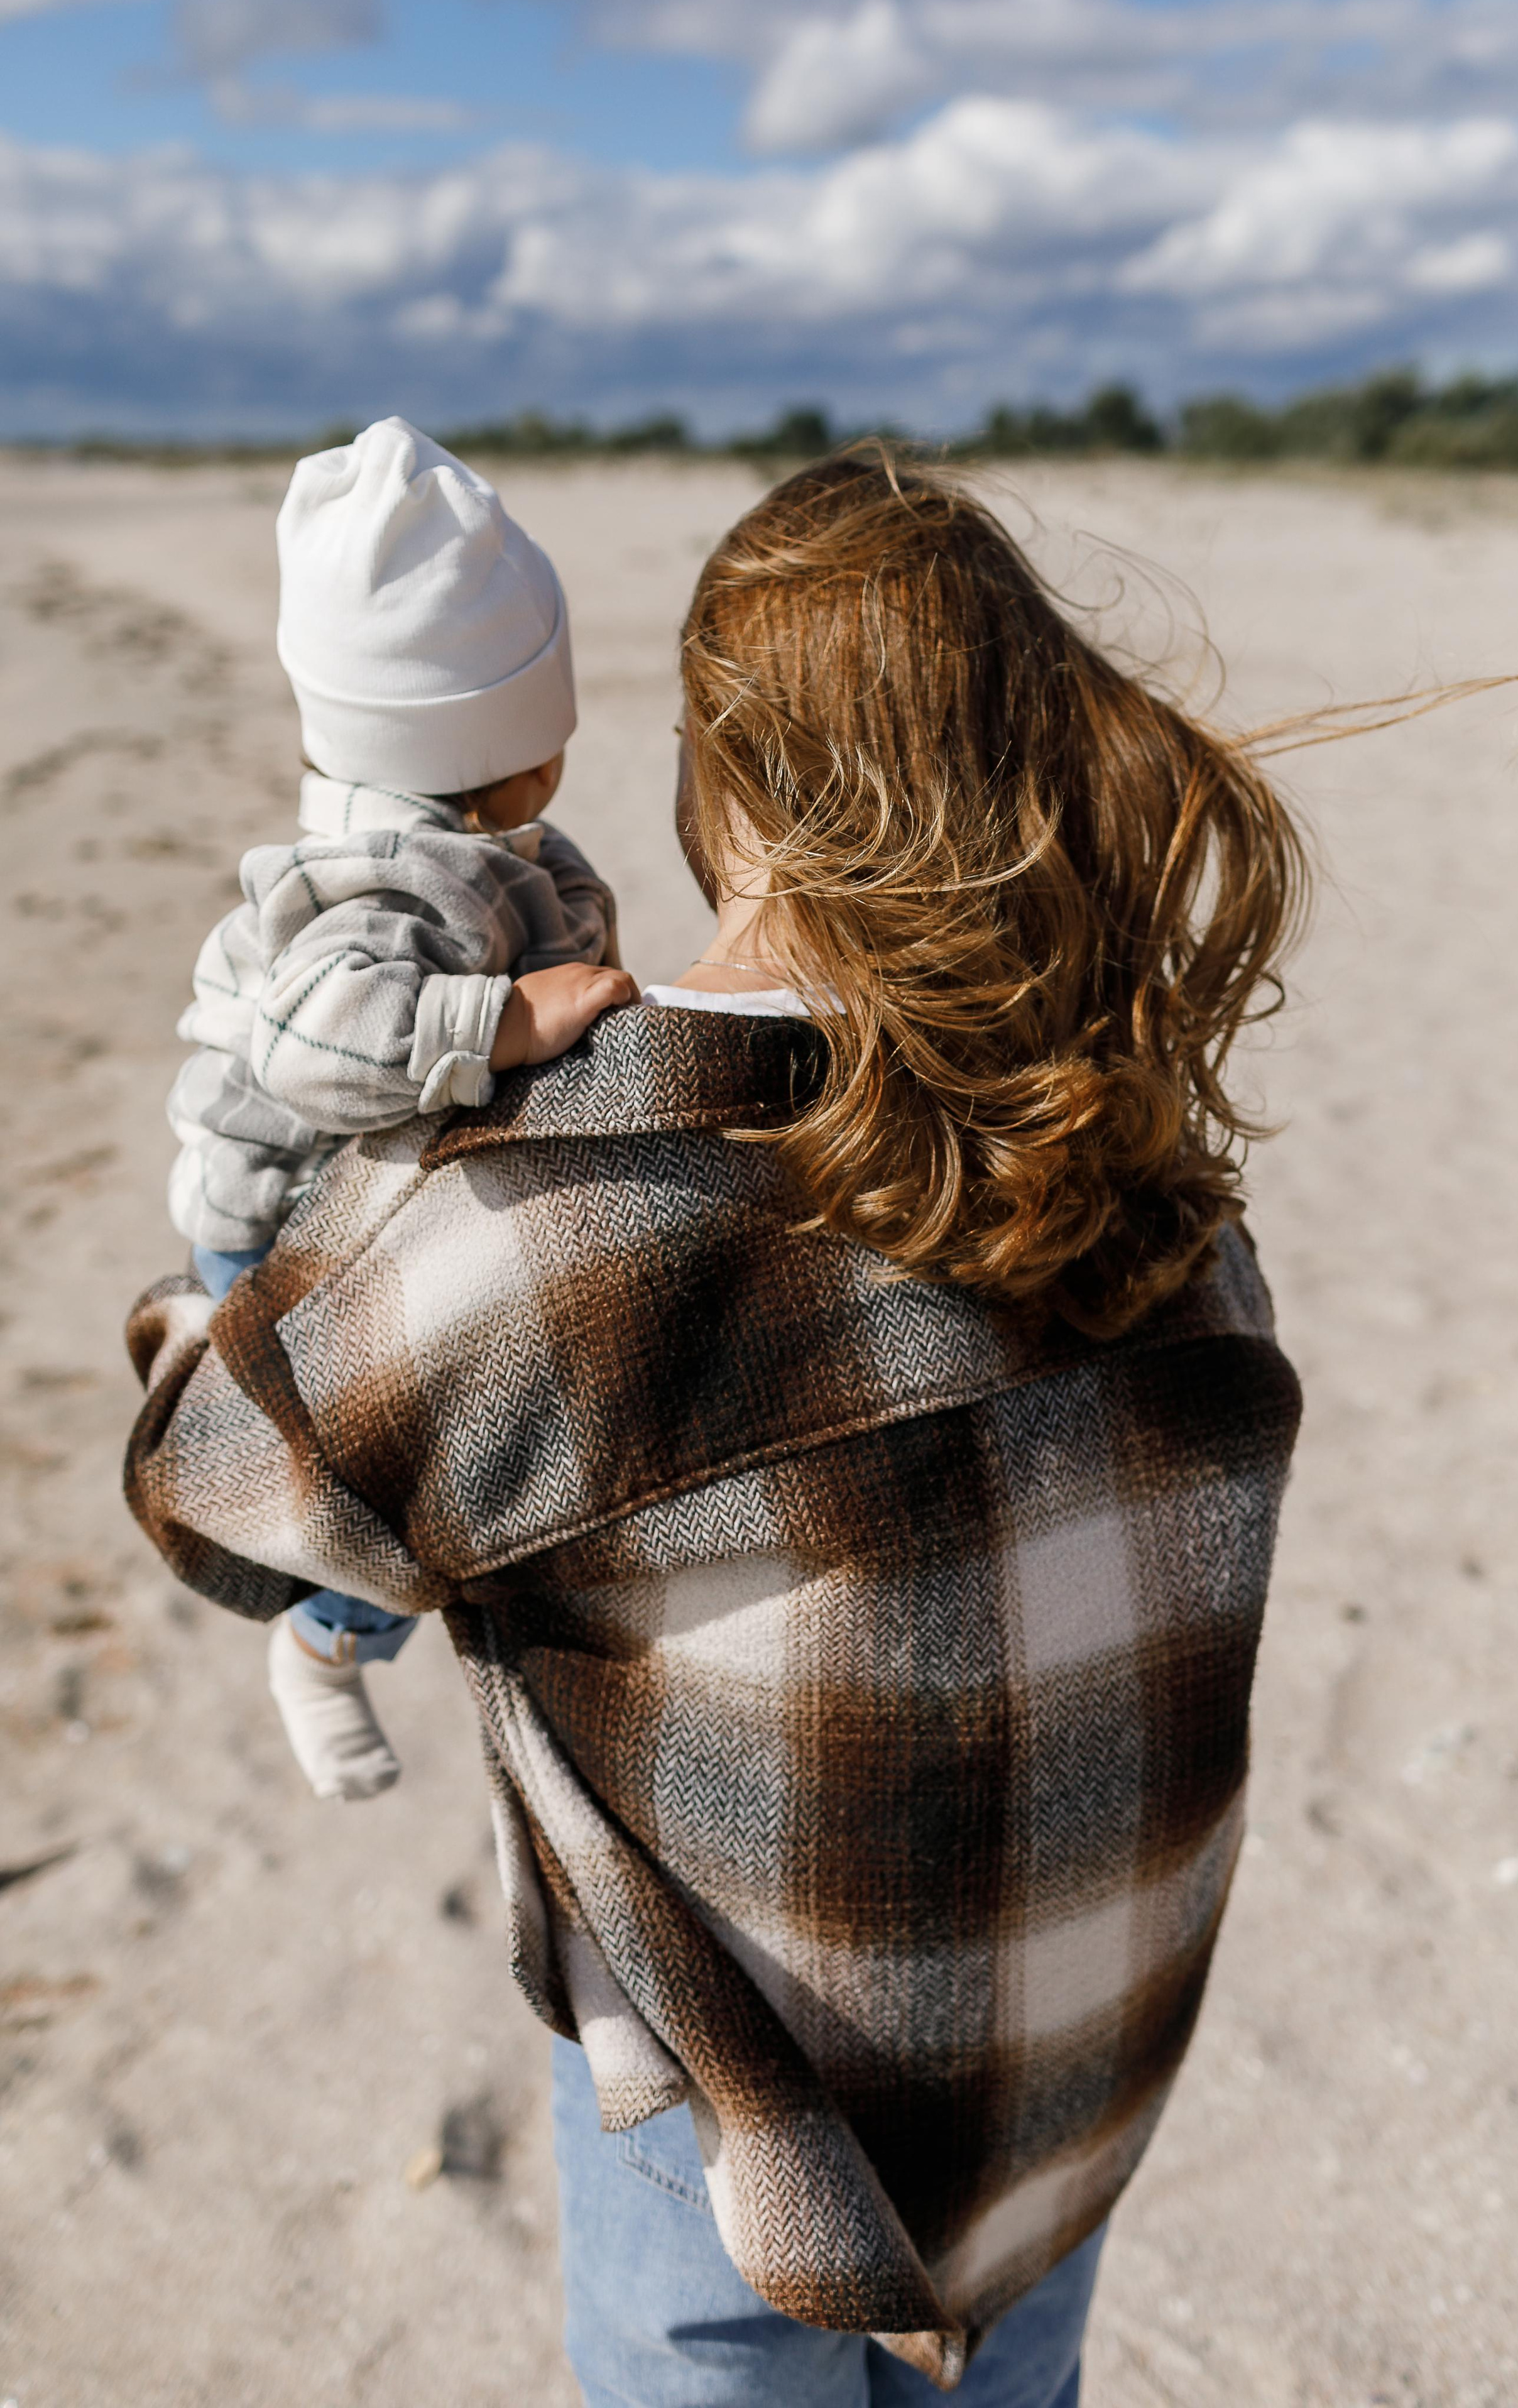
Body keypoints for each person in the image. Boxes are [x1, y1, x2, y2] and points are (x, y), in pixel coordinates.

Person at [126, 451, 1306, 2400]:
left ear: (723, 783)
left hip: (757, 2101)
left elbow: (221, 1502)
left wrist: (235, 1265)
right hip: (1072, 2061)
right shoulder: (1150, 1166)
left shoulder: (574, 1200)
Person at [164, 415, 633, 1802]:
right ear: (504, 748)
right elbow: (316, 1036)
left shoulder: (484, 846)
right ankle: (321, 1641)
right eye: (545, 738)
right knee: (386, 1513)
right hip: (283, 1232)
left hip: (358, 1215)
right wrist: (502, 1024)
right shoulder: (386, 881)